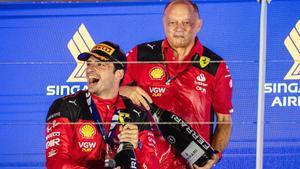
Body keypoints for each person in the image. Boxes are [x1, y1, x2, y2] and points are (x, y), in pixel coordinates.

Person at [120, 0, 233, 169]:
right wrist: (125, 89)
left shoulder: (215, 65)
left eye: (186, 22)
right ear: (164, 23)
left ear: (199, 25)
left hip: (191, 164)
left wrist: (214, 156)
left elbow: (224, 120)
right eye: (172, 22)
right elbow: (109, 94)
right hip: (145, 162)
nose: (178, 28)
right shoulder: (140, 55)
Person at [45, 41, 159, 169]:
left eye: (100, 64)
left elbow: (153, 165)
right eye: (89, 64)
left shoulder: (137, 114)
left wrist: (137, 146)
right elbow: (56, 163)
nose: (90, 69)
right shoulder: (65, 106)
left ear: (118, 74)